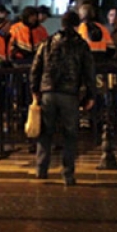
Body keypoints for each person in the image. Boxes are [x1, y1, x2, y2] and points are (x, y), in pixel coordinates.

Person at [30, 11, 98, 186]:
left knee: (45, 133)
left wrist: (35, 90)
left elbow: (36, 67)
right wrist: (90, 95)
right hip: (69, 94)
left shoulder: (48, 42)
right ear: (77, 26)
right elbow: (89, 72)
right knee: (70, 135)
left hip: (48, 92)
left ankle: (41, 169)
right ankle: (67, 174)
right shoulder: (81, 45)